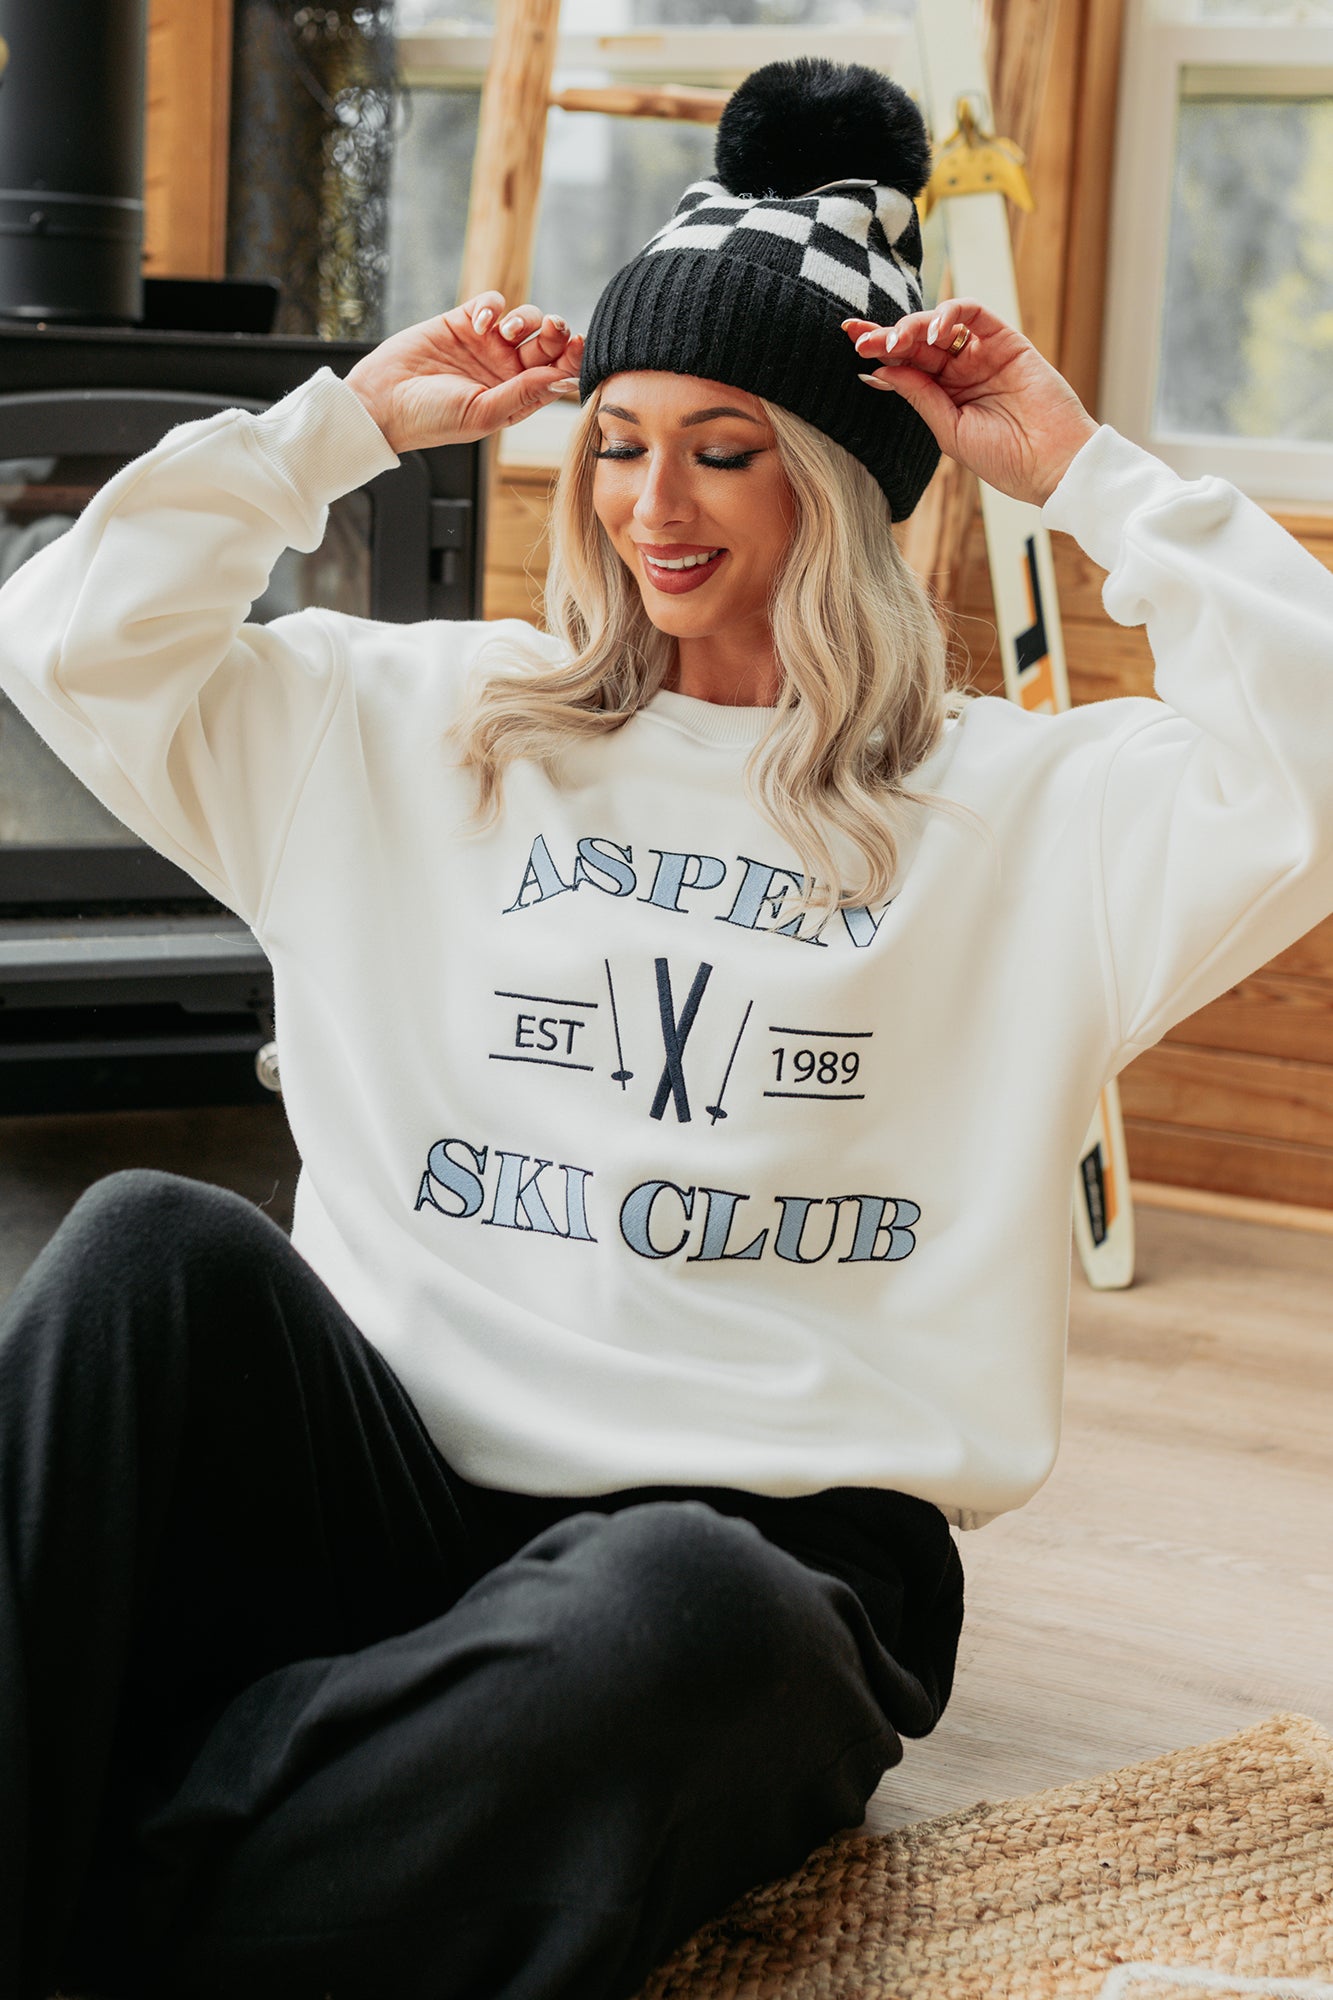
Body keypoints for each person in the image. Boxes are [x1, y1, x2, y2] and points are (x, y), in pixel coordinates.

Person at [2, 52, 1332, 2000]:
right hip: (395, 1481)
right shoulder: (421, 722)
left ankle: (115, 1907)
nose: (650, 503)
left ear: (840, 486)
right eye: (618, 440)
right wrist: (341, 426)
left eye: (724, 447)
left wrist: (1079, 470)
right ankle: (303, 1845)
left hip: (751, 1552)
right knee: (142, 1245)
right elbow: (67, 637)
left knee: (675, 1610)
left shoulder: (1019, 814)